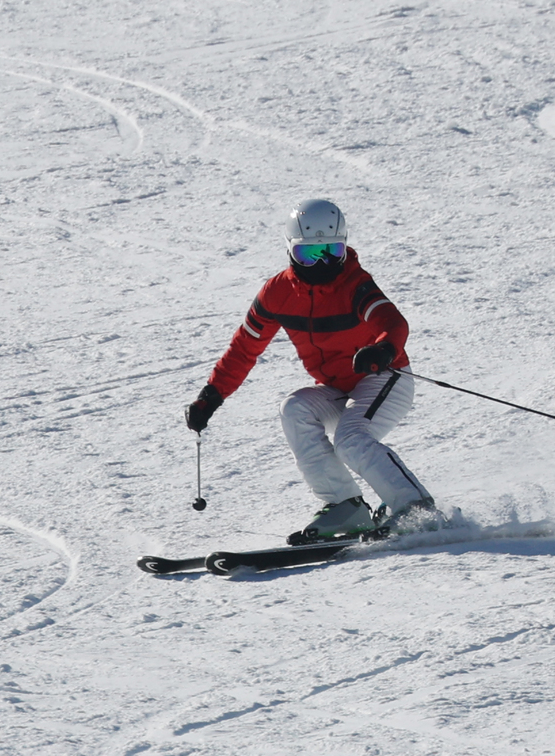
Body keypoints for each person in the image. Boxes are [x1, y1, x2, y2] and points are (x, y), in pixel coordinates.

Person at [184, 197, 436, 543]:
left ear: (345, 247)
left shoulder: (354, 284)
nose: (322, 263)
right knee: (295, 408)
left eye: (332, 251)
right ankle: (346, 506)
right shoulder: (278, 293)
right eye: (309, 254)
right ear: (290, 250)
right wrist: (212, 395)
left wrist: (383, 349)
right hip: (338, 387)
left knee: (350, 439)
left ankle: (417, 509)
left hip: (382, 377)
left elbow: (392, 322)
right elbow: (245, 347)